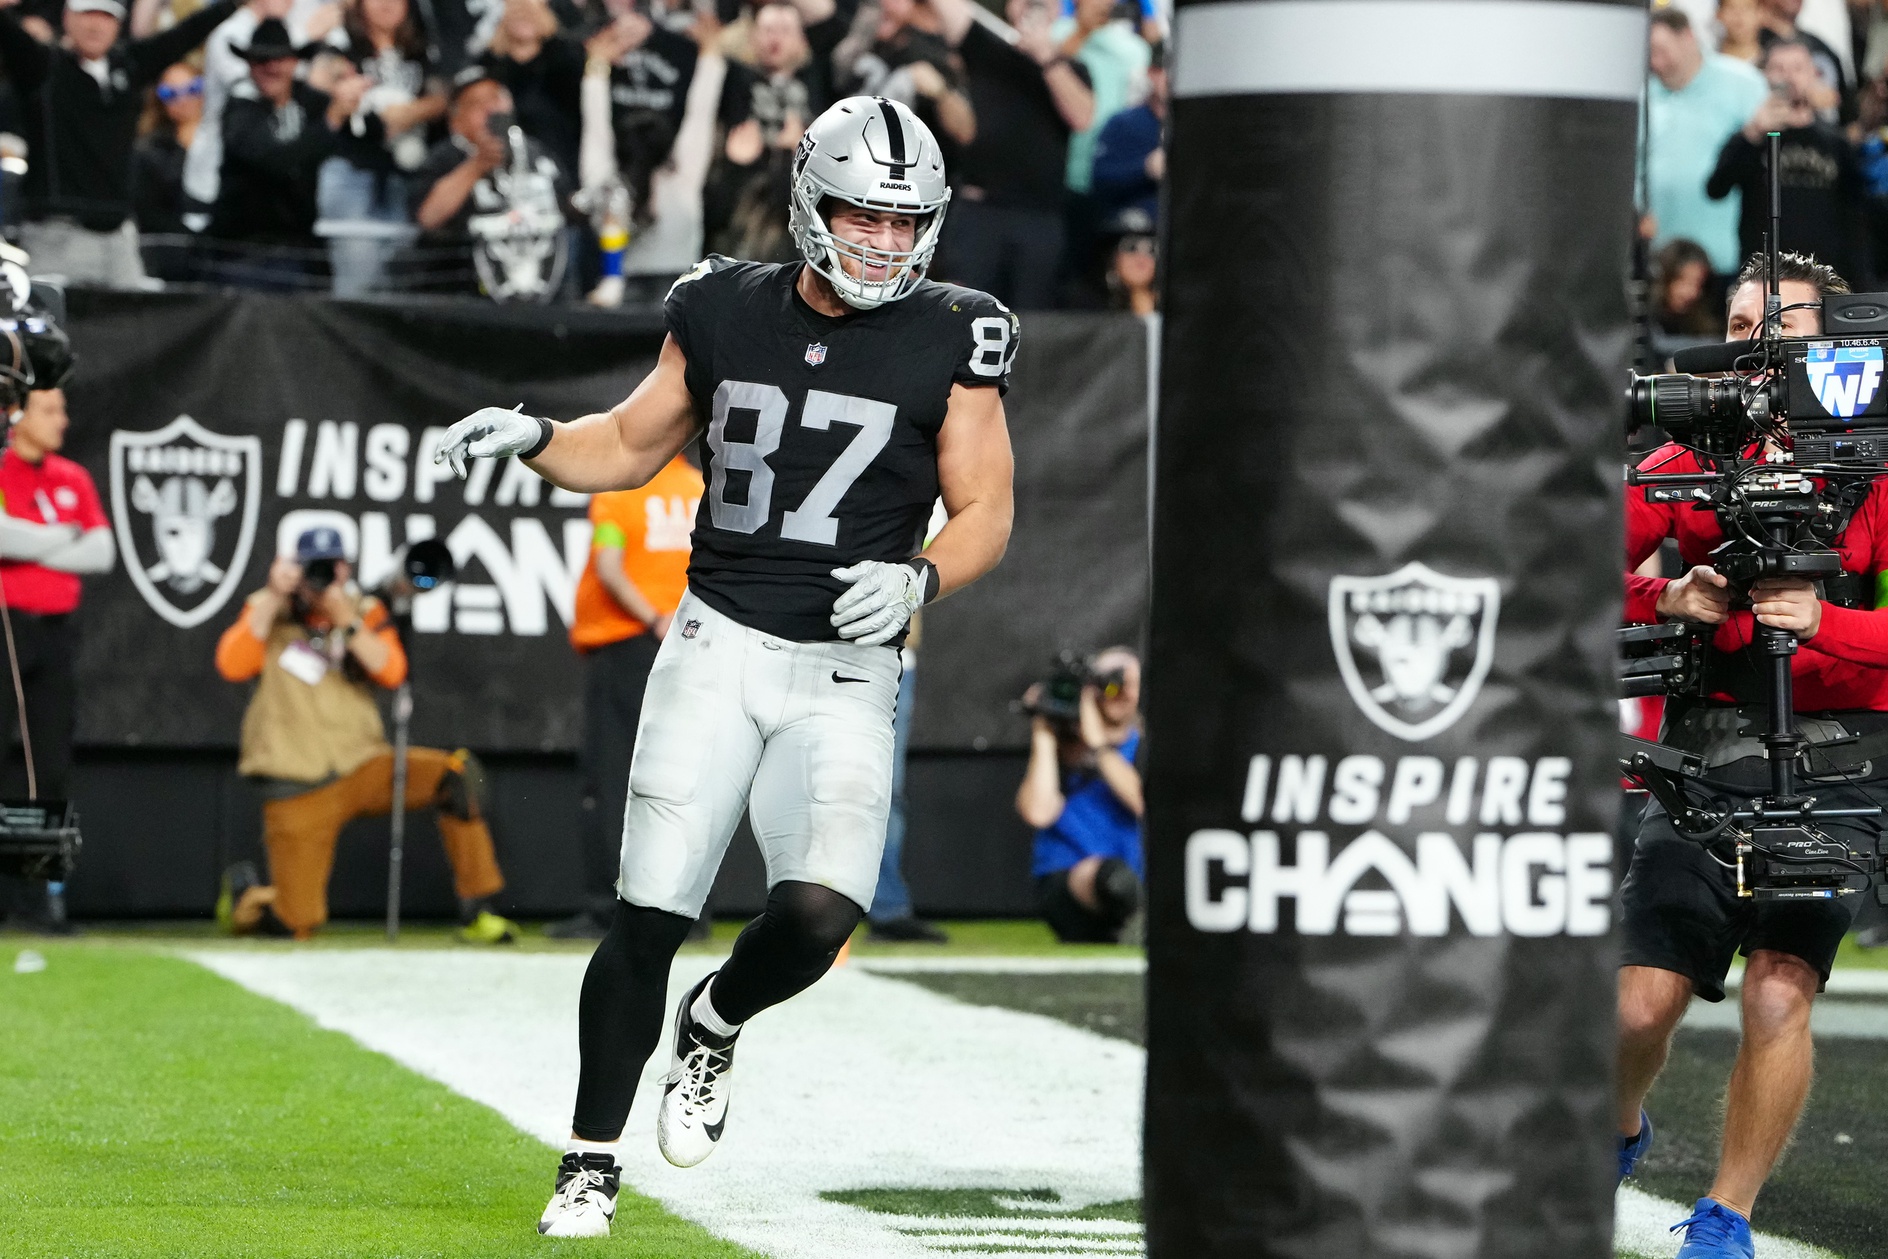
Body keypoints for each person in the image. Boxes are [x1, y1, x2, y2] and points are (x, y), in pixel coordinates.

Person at [434, 93, 1016, 1237]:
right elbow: (628, 442)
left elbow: (986, 504)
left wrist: (922, 578)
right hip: (717, 639)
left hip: (849, 665)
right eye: (864, 216)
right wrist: (536, 435)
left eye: (907, 224)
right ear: (809, 201)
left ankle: (715, 1021)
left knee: (816, 911)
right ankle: (589, 1160)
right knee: (651, 903)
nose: (885, 244)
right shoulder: (717, 307)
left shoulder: (959, 330)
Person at [1617, 251, 1888, 1258]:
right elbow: (1567, 560)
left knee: (1781, 986)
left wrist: (1823, 622)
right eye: (1739, 326)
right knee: (1640, 1001)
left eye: (1784, 323)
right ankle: (1616, 1126)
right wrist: (1665, 596)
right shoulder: (1685, 456)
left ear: (1838, 345)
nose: (1760, 344)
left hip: (1843, 753)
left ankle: (1724, 1217)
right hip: (1708, 741)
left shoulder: (1876, 463)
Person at [212, 526, 520, 943]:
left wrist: (347, 623)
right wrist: (273, 595)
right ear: (292, 570)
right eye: (311, 567)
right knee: (295, 924)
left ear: (345, 569)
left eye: (332, 566)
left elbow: (392, 671)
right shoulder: (267, 610)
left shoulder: (366, 611)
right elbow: (232, 664)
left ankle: (478, 912)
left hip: (362, 764)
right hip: (297, 780)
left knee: (457, 774)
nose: (323, 576)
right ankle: (248, 897)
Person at [549, 452, 703, 940]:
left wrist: (653, 618)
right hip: (695, 644)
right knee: (688, 780)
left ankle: (606, 910)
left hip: (629, 644)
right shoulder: (704, 491)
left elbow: (609, 566)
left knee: (613, 777)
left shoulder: (620, 489)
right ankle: (688, 916)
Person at [0, 0, 244, 288]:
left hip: (119, 236)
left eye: (106, 16)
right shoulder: (42, 67)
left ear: (119, 24)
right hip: (57, 232)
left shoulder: (129, 66)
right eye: (87, 14)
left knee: (134, 326)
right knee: (55, 326)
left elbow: (185, 34)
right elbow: (10, 37)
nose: (95, 25)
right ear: (67, 18)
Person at [0, 386, 111, 932]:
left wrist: (31, 542)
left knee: (51, 768)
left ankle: (41, 900)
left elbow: (103, 551)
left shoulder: (72, 477)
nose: (62, 420)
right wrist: (61, 538)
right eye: (50, 409)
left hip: (56, 634)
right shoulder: (1, 470)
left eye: (64, 408)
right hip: (5, 630)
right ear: (17, 416)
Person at [929, 0, 1091, 310]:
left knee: (1033, 327)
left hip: (1040, 217)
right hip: (980, 212)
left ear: (1057, 11)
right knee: (963, 314)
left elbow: (1082, 116)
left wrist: (1045, 55)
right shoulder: (985, 46)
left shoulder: (1073, 67)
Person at [209, 18, 373, 286]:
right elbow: (275, 160)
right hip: (246, 250)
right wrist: (332, 119)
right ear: (249, 65)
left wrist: (353, 92)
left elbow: (370, 134)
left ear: (295, 62)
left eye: (279, 59)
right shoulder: (240, 107)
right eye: (261, 60)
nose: (271, 67)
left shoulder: (310, 101)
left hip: (302, 245)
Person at [317, 0, 447, 296]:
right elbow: (320, 80)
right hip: (353, 169)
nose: (386, 4)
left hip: (406, 175)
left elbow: (445, 96)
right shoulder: (343, 43)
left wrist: (413, 112)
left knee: (399, 282)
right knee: (358, 282)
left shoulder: (423, 47)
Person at [1708, 39, 1862, 283]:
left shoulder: (1835, 142)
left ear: (1814, 74)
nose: (1789, 77)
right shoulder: (1752, 137)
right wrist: (1753, 133)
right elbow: (1715, 189)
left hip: (1824, 277)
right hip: (1763, 276)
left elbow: (1855, 216)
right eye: (1779, 69)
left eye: (1798, 68)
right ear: (1765, 75)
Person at [1014, 647, 1141, 943]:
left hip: (1134, 885)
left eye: (1133, 684)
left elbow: (1140, 801)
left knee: (1123, 882)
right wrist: (1043, 731)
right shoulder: (1062, 747)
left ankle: (1132, 921)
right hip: (1070, 886)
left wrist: (1097, 742)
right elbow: (1038, 812)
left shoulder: (1140, 744)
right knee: (1113, 879)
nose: (1125, 694)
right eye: (1114, 683)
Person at [411, 67, 572, 294]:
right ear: (456, 119)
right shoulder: (444, 157)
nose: (490, 109)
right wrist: (476, 166)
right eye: (477, 104)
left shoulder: (536, 152)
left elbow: (567, 208)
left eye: (496, 98)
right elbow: (428, 217)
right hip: (462, 290)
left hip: (541, 285)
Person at [1644, 7, 1768, 279]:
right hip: (1663, 260)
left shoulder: (1743, 83)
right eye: (1649, 53)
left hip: (1728, 258)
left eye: (1661, 50)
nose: (1655, 63)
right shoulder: (1644, 93)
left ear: (1688, 37)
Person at [480, 0, 584, 180]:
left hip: (563, 162)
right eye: (516, 14)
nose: (523, 20)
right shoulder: (487, 66)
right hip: (506, 167)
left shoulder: (568, 57)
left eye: (528, 13)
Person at [132, 64, 207, 281]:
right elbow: (149, 211)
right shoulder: (147, 151)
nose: (183, 100)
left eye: (192, 89)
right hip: (173, 259)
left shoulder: (230, 137)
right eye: (170, 94)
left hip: (223, 253)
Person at [1087, 38, 1161, 230]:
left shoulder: (1195, 128)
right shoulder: (1124, 123)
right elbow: (1100, 180)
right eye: (1165, 70)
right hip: (1129, 232)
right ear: (1151, 73)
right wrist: (1146, 168)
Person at [1652, 237, 1723, 336]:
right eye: (1682, 281)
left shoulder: (1705, 332)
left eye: (1698, 284)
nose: (1692, 292)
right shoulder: (1645, 328)